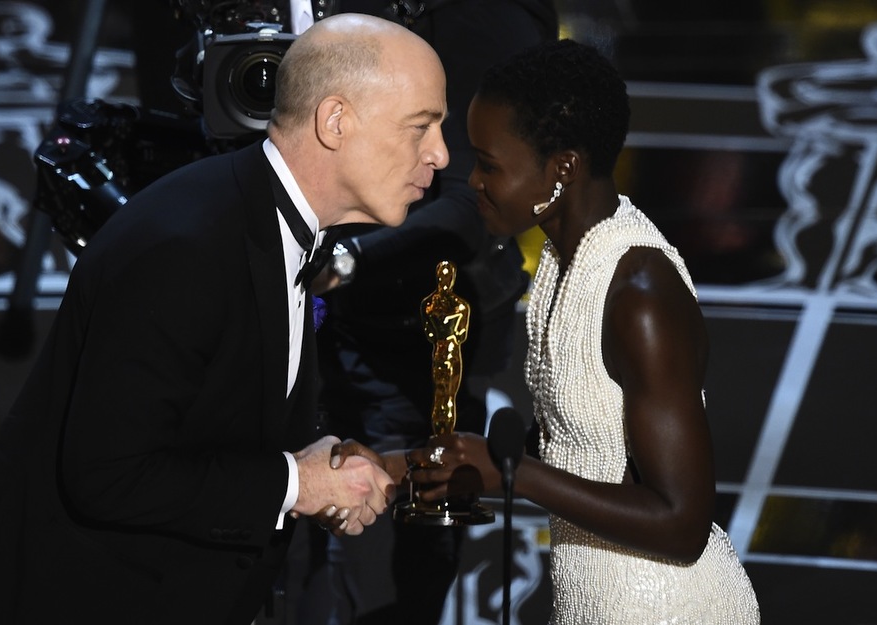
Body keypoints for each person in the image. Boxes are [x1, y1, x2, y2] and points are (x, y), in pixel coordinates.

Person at [0, 13, 448, 625]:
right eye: (421, 127)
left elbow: (202, 427)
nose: (440, 154)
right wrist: (297, 484)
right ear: (335, 120)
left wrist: (306, 459)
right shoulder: (186, 244)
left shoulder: (263, 222)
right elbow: (107, 473)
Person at [344, 38, 762, 623]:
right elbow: (579, 447)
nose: (473, 181)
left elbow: (682, 522)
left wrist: (516, 475)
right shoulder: (565, 262)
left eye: (490, 164)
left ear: (561, 168)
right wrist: (393, 468)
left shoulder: (639, 294)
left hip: (667, 610)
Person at [297, 2, 558, 624]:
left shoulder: (484, 28)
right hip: (332, 332)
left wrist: (348, 264)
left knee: (389, 565)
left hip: (421, 350)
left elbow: (476, 203)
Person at [422, 260, 470, 435]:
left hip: (444, 351)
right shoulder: (458, 306)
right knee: (444, 395)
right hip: (447, 351)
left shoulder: (429, 306)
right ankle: (442, 437)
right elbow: (461, 334)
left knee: (444, 395)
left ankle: (443, 437)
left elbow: (431, 334)